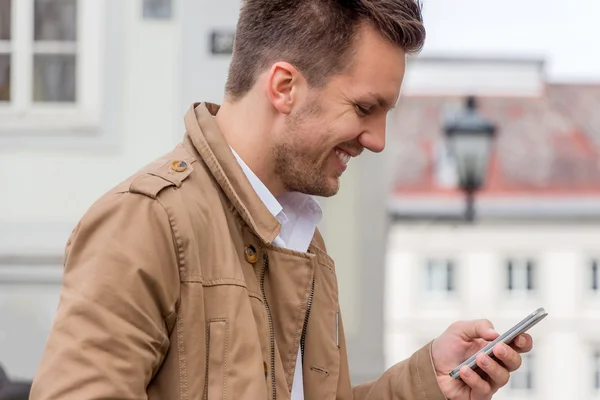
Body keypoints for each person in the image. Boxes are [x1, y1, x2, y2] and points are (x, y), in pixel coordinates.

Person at [30, 0, 533, 399]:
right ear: (284, 87)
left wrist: (429, 381)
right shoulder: (145, 221)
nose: (378, 140)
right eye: (364, 107)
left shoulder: (304, 244)